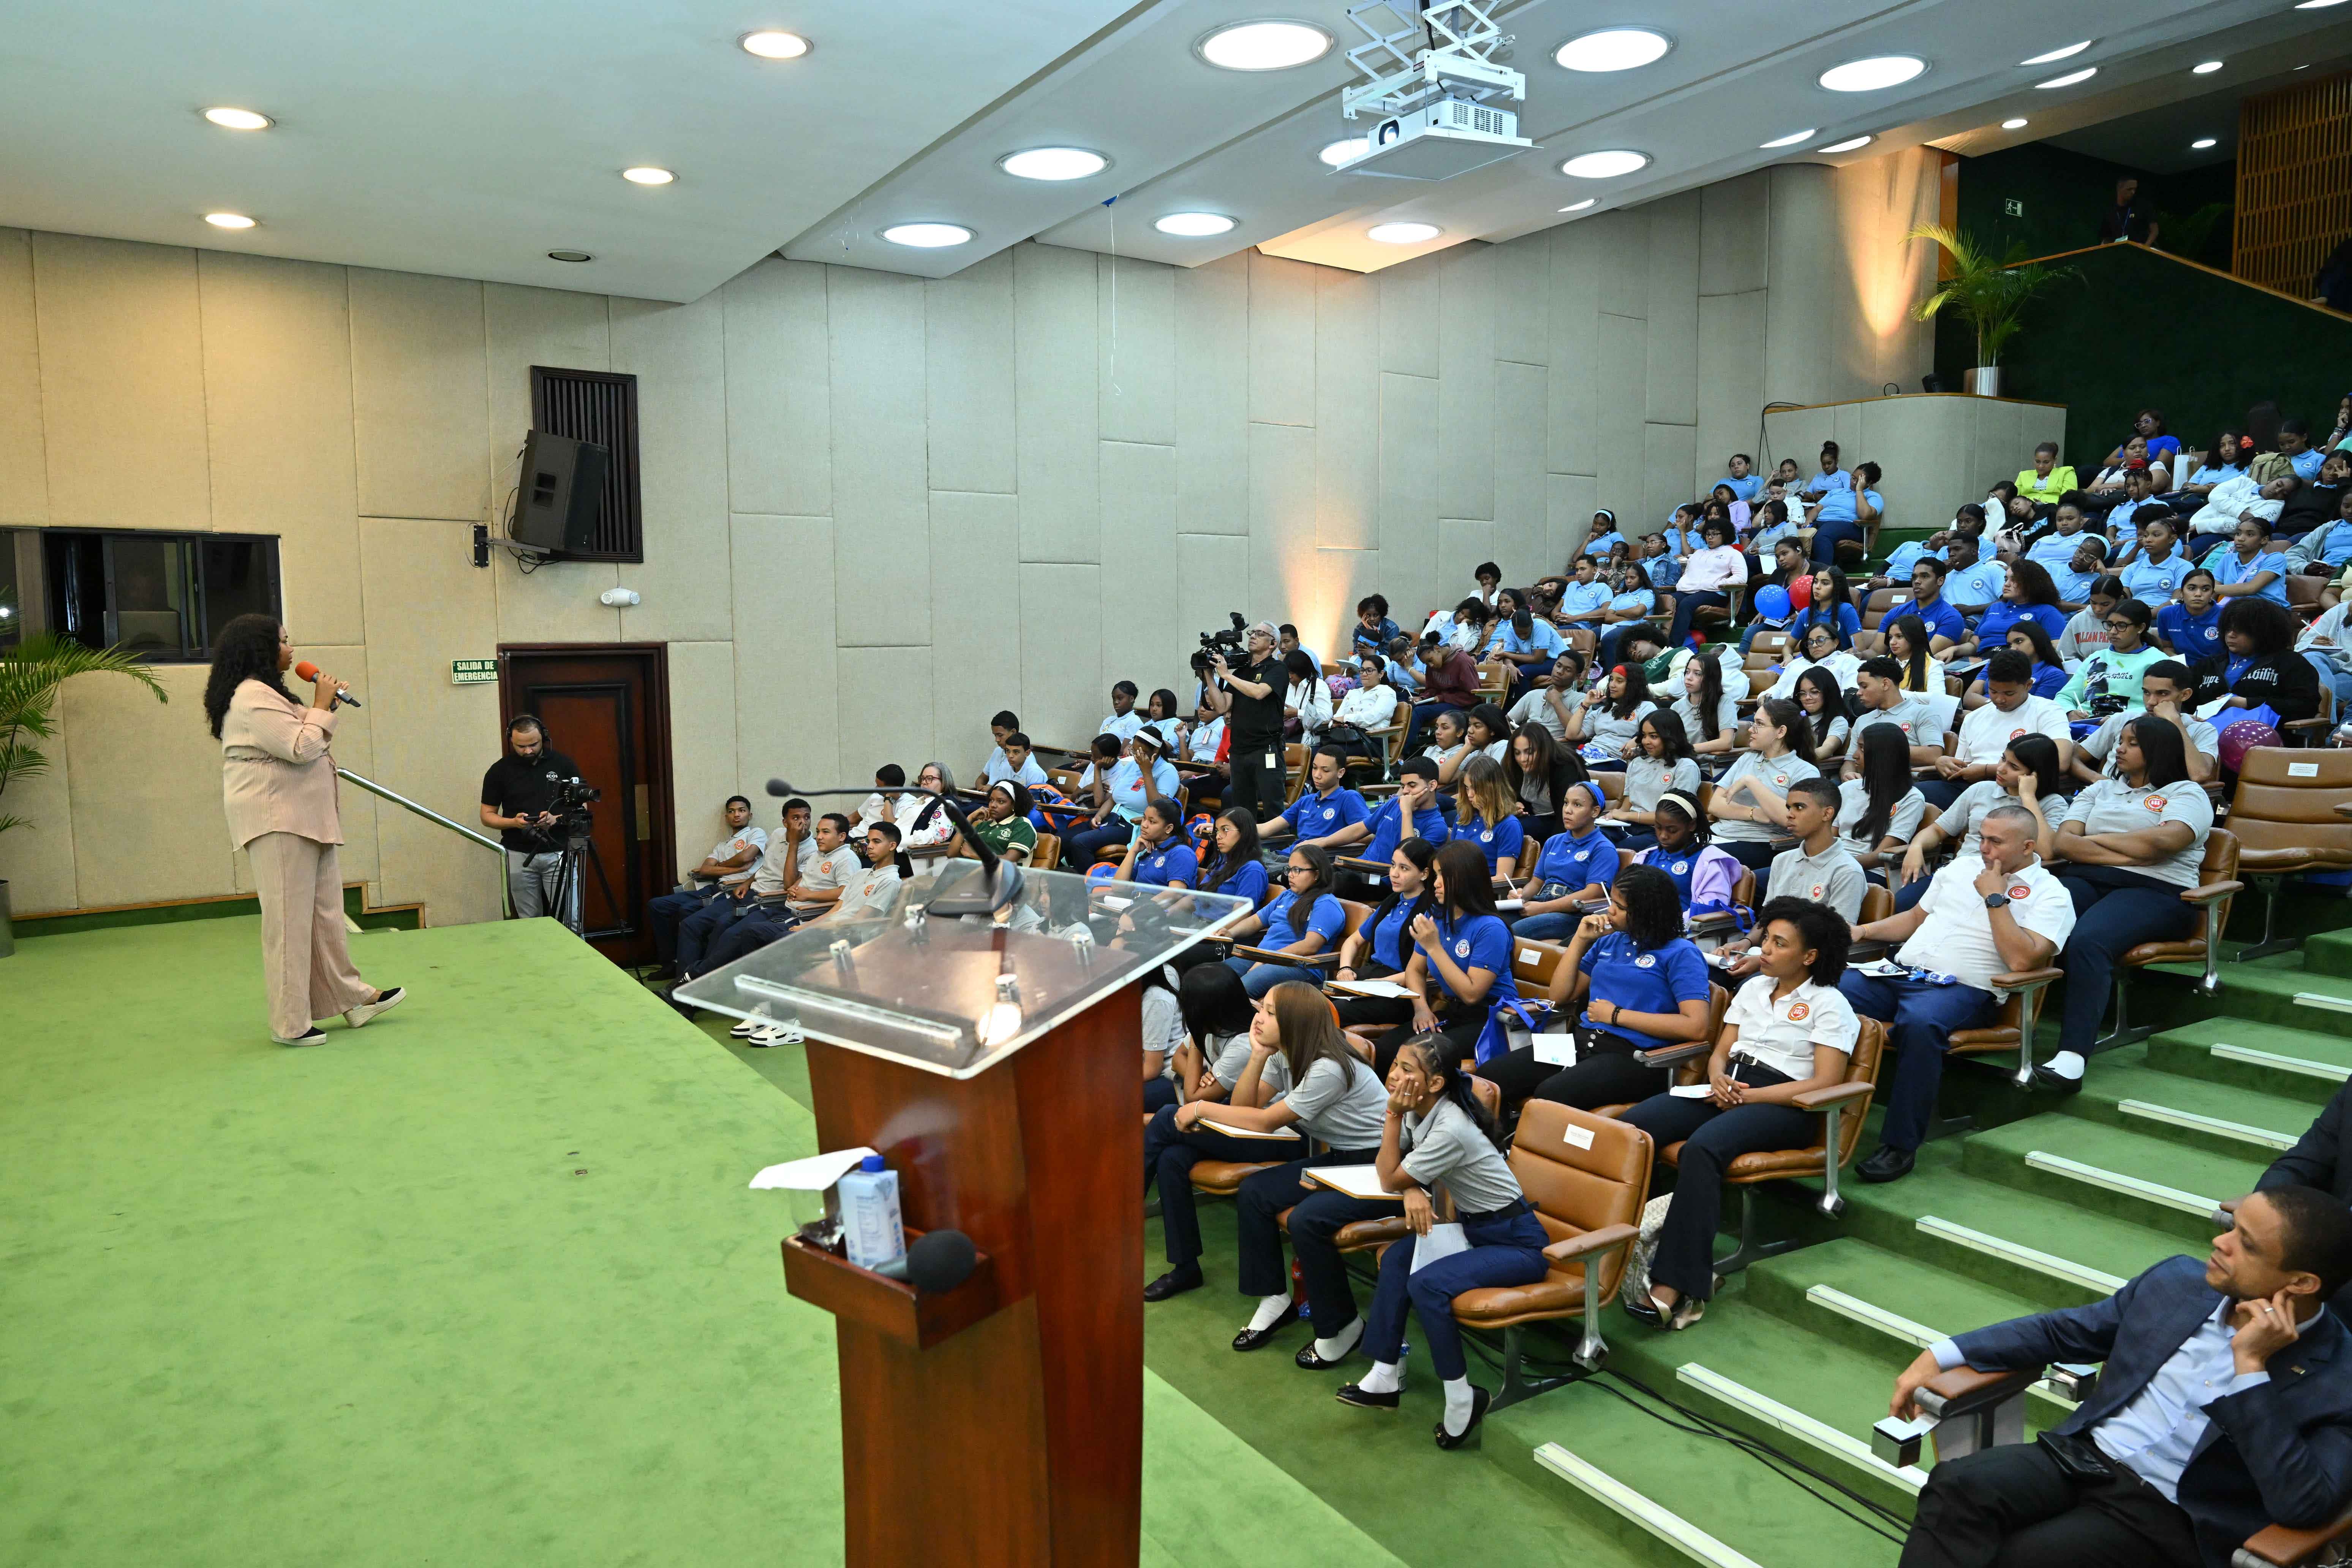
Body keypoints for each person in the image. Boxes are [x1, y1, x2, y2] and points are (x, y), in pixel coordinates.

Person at [1888, 1187, 2352, 1568]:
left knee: (2027, 1558)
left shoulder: (2341, 1376)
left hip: (2175, 1514)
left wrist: (2251, 1369)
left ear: (2302, 1284)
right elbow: (2063, 1331)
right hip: (2085, 1458)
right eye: (2232, 1227)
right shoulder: (2177, 1284)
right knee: (1958, 1486)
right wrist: (1944, 1354)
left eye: (2247, 1245)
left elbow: (2304, 1504)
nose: (2221, 1243)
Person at [1620, 899, 1858, 1331]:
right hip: (1727, 1086)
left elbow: (1825, 1082)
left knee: (1703, 1149)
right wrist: (1718, 1078)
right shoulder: (1753, 988)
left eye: (1779, 944)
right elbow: (1721, 1051)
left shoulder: (1830, 1004)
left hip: (1787, 1104)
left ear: (1809, 956)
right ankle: (1619, 1246)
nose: (1765, 949)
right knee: (1631, 1128)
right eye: (1766, 939)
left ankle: (1679, 1285)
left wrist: (1749, 1098)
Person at [1332, 1033, 1550, 1449]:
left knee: (1427, 1285)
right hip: (1475, 1230)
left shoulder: (1450, 1126)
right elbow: (1398, 1172)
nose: (1394, 1076)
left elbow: (1388, 1177)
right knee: (1397, 1259)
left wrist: (1393, 1121)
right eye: (1394, 1065)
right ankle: (1383, 1375)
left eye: (1407, 1070)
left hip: (1517, 1245)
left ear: (1435, 1083)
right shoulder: (1424, 1110)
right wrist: (1413, 1188)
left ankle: (1463, 1398)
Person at [1842, 804, 2076, 1182]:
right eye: (1982, 838)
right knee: (1821, 990)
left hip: (1962, 991)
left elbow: (2022, 960)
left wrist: (1996, 898)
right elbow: (1914, 919)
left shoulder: (2052, 895)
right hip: (1899, 975)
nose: (1984, 848)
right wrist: (1863, 932)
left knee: (1920, 1024)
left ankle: (1900, 1147)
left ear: (2028, 846)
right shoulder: (1960, 868)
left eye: (1996, 842)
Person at [206, 615, 401, 1046]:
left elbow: (306, 731)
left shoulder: (270, 693)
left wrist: (325, 706)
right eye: (283, 642)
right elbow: (302, 747)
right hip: (278, 819)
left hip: (307, 818)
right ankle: (290, 1024)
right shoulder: (252, 696)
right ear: (261, 649)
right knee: (289, 926)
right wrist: (321, 702)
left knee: (325, 916)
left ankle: (352, 998)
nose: (292, 649)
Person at [1170, 983, 1394, 1358]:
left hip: (1383, 1168)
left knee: (1308, 1219)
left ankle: (1343, 1325)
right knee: (1256, 1191)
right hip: (1345, 1160)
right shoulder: (1283, 1053)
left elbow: (1264, 1122)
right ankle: (1274, 1298)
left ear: (1295, 1021)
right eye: (1261, 1008)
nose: (1258, 1018)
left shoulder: (1328, 1067)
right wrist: (1258, 1056)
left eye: (1271, 1013)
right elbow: (1245, 1110)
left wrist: (1199, 1108)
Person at [2038, 716, 2216, 1093]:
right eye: (2120, 740)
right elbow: (2063, 844)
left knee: (2089, 940)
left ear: (2158, 750)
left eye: (2132, 743)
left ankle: (2072, 1059)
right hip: (2087, 878)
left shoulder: (2186, 793)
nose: (2119, 749)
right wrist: (2136, 850)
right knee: (2031, 918)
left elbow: (2164, 844)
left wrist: (2095, 843)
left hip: (2159, 892)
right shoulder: (2100, 790)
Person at [1474, 863, 1712, 1110]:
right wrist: (1580, 940)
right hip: (1582, 1043)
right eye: (1612, 902)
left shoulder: (1682, 953)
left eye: (1620, 907)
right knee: (1490, 1077)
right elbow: (1559, 996)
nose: (1610, 911)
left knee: (1551, 1094)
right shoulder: (1609, 941)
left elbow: (1696, 1027)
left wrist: (1617, 1016)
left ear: (1647, 913)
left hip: (1636, 1057)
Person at [1357, 839, 1523, 1071]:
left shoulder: (1491, 928)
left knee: (1421, 1057)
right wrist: (1421, 1009)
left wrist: (1434, 947)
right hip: (1453, 1010)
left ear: (1465, 878)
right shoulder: (1436, 916)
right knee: (1386, 1048)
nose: (1436, 883)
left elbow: (1472, 994)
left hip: (1491, 1018)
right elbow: (1415, 969)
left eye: (1443, 875)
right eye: (1435, 875)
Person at [1899, 734, 2064, 909]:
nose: (2001, 769)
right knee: (1903, 902)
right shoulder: (1981, 790)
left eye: (2014, 767)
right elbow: (1938, 830)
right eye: (2003, 759)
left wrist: (2028, 797)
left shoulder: (2053, 804)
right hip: (1959, 872)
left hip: (2003, 884)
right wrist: (1916, 847)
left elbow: (2047, 852)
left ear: (2035, 775)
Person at [1926, 650, 2072, 808]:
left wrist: (1986, 771)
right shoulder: (1974, 717)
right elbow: (1963, 767)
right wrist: (1945, 764)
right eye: (1993, 692)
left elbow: (2060, 762)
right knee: (1914, 795)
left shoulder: (2048, 711)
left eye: (2009, 693)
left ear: (2028, 685)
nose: (1999, 699)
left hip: (2019, 791)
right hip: (1970, 787)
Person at [1330, 838, 1442, 1038]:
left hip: (1401, 990)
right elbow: (1354, 941)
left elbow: (1424, 970)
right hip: (1369, 978)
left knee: (1327, 1012)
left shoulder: (1431, 911)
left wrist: (1379, 983)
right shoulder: (1391, 902)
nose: (1394, 873)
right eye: (1393, 865)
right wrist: (1345, 968)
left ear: (1424, 874)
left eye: (1404, 868)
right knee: (1306, 999)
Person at [643, 796, 767, 977]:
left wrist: (721, 867)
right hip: (715, 888)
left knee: (688, 914)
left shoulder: (756, 834)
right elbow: (706, 870)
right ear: (726, 817)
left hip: (734, 890)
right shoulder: (722, 846)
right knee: (657, 905)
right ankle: (671, 962)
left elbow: (746, 857)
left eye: (742, 810)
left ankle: (685, 976)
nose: (737, 815)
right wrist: (737, 869)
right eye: (731, 812)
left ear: (750, 815)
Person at [480, 713, 586, 923]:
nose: (528, 751)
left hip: (558, 852)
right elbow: (487, 816)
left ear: (543, 738)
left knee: (569, 920)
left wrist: (555, 819)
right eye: (521, 747)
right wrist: (514, 822)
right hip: (518, 854)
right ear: (511, 740)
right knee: (529, 921)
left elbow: (582, 807)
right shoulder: (499, 771)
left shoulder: (563, 764)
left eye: (533, 745)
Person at [1706, 697, 1820, 872]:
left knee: (1699, 862)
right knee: (1668, 852)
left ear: (1781, 732)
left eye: (1759, 724)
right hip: (1720, 834)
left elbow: (1791, 819)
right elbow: (1715, 805)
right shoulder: (1748, 758)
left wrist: (1751, 782)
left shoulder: (1804, 771)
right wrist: (1755, 814)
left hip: (1762, 843)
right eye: (1754, 723)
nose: (1751, 729)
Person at [1225, 844, 1347, 998]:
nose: (1290, 875)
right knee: (1218, 977)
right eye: (1289, 869)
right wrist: (1229, 933)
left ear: (1317, 874)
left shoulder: (1325, 904)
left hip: (1298, 966)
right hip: (1264, 957)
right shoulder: (1287, 896)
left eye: (1297, 870)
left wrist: (1267, 961)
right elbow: (1256, 921)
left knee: (1238, 991)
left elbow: (1310, 945)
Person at [2072, 662, 2220, 786]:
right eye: (2147, 693)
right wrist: (2097, 779)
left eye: (2162, 694)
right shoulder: (2123, 719)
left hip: (2161, 803)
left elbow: (2199, 775)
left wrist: (2176, 723)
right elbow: (2073, 757)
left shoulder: (2201, 730)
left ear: (2185, 695)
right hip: (2106, 797)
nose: (2151, 702)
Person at [2192, 596, 2323, 731]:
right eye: (2228, 629)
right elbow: (2187, 702)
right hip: (2205, 734)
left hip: (2266, 736)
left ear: (2263, 632)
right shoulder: (2208, 664)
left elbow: (2306, 706)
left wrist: (2247, 703)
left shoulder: (2291, 663)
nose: (2231, 635)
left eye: (2240, 630)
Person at [1507, 781, 1616, 938]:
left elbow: (1593, 894)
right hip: (1542, 902)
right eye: (1566, 803)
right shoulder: (1553, 841)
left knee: (1512, 931)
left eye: (1577, 805)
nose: (1567, 810)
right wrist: (1520, 896)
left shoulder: (1603, 848)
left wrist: (1543, 908)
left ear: (1595, 811)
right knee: (1492, 921)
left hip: (1573, 915)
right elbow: (1536, 883)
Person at [1205, 621, 1289, 820]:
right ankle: (1246, 840)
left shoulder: (1277, 669)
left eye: (1260, 634)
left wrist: (1226, 675)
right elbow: (1222, 706)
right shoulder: (1241, 672)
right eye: (1253, 632)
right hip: (1239, 749)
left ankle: (1279, 840)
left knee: (1273, 805)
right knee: (1242, 809)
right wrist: (1209, 676)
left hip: (1266, 748)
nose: (1253, 636)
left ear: (1272, 644)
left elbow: (1259, 693)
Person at [1822, 739, 1914, 901]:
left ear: (1884, 755)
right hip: (1833, 863)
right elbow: (1828, 839)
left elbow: (1881, 856)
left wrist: (1833, 865)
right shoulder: (1848, 788)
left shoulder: (1910, 798)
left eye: (1863, 750)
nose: (1855, 756)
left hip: (1871, 871)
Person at [1331, 756, 1449, 873]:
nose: (1405, 791)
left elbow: (1408, 861)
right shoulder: (1395, 803)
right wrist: (1322, 842)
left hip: (1382, 877)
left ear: (1432, 786)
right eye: (1403, 786)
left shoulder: (1437, 826)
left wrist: (1407, 813)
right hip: (1359, 867)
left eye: (1412, 786)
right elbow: (1361, 828)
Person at [1603, 710, 1702, 849]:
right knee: (1593, 837)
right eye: (1644, 736)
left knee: (1617, 849)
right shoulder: (1637, 763)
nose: (1646, 742)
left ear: (1670, 737)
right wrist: (1613, 817)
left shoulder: (1686, 767)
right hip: (1628, 825)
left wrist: (1628, 816)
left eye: (1653, 736)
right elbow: (1628, 802)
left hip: (1660, 831)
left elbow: (1674, 816)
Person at [2058, 599, 2163, 721]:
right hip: (2087, 722)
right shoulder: (2096, 658)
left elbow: (2163, 705)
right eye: (2109, 625)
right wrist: (2070, 712)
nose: (2113, 632)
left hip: (2131, 724)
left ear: (2140, 628)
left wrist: (2117, 719)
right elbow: (2065, 697)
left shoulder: (2157, 661)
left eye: (2122, 626)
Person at [1845, 658, 1943, 774]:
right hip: (1865, 781)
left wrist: (1882, 748)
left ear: (1885, 684)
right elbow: (1850, 761)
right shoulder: (1862, 720)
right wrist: (1848, 773)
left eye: (1864, 686)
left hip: (1907, 782)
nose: (1859, 693)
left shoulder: (1923, 713)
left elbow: (1934, 755)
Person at [1262, 746, 1369, 851]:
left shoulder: (1349, 798)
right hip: (1290, 855)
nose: (1317, 775)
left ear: (1340, 773)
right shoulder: (1306, 801)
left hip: (1317, 858)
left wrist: (1322, 842)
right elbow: (1267, 829)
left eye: (1325, 771)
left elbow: (1369, 833)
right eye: (1314, 768)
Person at [1503, 722, 1590, 842]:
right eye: (1517, 753)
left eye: (1529, 752)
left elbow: (1569, 817)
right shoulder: (1515, 765)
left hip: (1563, 823)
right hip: (1536, 818)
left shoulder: (1565, 768)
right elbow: (1509, 796)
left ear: (1543, 749)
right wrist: (1515, 805)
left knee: (1509, 827)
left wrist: (1553, 848)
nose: (1522, 759)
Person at [1568, 661, 1658, 768]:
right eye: (1611, 679)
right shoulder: (1603, 710)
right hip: (1588, 754)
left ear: (1633, 685)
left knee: (1577, 771)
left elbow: (1654, 733)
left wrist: (1637, 740)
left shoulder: (1645, 707)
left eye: (1619, 681)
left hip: (1615, 760)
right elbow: (1572, 735)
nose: (1612, 685)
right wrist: (1586, 704)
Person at [1451, 754, 1524, 877]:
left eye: (1475, 788)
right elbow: (1450, 861)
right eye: (1467, 788)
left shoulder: (1509, 825)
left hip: (1483, 887)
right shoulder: (1462, 817)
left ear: (1492, 788)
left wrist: (1464, 884)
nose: (1470, 794)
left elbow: (1503, 878)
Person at [1809, 459, 1884, 567]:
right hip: (1821, 522)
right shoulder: (1836, 492)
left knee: (1823, 536)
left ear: (1869, 483)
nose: (1854, 482)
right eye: (1853, 478)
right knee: (1797, 537)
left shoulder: (1873, 497)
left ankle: (1825, 573)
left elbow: (1865, 515)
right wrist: (1808, 522)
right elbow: (1817, 509)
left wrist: (1859, 490)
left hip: (1849, 526)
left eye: (1859, 481)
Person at [1112, 797, 1197, 890]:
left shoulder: (1181, 853)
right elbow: (1118, 888)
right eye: (1144, 818)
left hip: (1155, 900)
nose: (1144, 825)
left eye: (1152, 822)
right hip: (1137, 898)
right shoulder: (1151, 848)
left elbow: (1175, 894)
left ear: (1169, 828)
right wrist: (1133, 851)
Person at [1507, 649, 1589, 742]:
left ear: (1577, 677)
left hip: (1556, 747)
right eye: (1558, 666)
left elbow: (1575, 733)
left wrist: (1556, 702)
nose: (1560, 672)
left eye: (1568, 670)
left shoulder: (1581, 700)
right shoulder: (1533, 695)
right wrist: (1512, 735)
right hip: (1525, 743)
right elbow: (1507, 720)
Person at [1672, 647, 1739, 760]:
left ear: (1711, 678)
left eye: (1697, 674)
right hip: (1679, 764)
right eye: (1687, 672)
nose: (1689, 678)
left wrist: (1687, 749)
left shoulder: (1724, 702)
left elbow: (1726, 742)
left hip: (1707, 765)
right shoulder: (1676, 707)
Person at [1197, 808, 1271, 907]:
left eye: (1225, 830)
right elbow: (1195, 899)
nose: (1218, 837)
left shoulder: (1253, 869)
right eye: (1217, 831)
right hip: (1198, 917)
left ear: (1244, 832)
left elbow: (1240, 914)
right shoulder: (1221, 862)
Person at [2209, 516, 2290, 606]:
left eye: (2250, 535)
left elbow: (2251, 588)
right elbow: (2212, 593)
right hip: (2234, 610)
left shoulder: (2276, 559)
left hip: (2269, 610)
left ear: (2264, 540)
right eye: (2238, 534)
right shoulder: (2227, 559)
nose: (2240, 539)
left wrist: (2209, 588)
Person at [956, 779, 1040, 865]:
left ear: (1014, 805)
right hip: (973, 870)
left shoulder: (1022, 824)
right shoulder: (983, 825)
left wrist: (975, 855)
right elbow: (952, 853)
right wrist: (970, 818)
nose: (993, 805)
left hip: (1004, 872)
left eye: (1001, 802)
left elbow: (1009, 860)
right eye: (991, 800)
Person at [2120, 514, 2194, 608]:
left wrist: (2149, 614)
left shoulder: (2184, 567)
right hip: (2134, 613)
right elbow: (2123, 599)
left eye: (2156, 535)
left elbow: (2177, 600)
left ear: (2172, 539)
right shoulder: (2131, 568)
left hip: (2167, 614)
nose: (2148, 540)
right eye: (2146, 536)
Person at [2154, 569, 2224, 666]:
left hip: (2217, 670)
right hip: (2182, 668)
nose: (2198, 594)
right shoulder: (2166, 614)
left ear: (2212, 594)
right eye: (2192, 589)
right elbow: (2168, 648)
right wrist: (2181, 665)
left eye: (2206, 590)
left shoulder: (2226, 615)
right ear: (2181, 593)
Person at [2057, 574, 2126, 669]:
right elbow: (2065, 656)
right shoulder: (2079, 620)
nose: (2098, 609)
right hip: (2084, 673)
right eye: (2093, 603)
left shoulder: (2130, 621)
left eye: (2105, 605)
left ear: (2120, 600)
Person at [2016, 441, 2079, 509]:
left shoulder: (2066, 472)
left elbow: (2068, 499)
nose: (2041, 466)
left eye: (2046, 462)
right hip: (2026, 510)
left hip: (2053, 510)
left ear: (2055, 460)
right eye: (2037, 462)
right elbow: (2014, 498)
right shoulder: (2024, 475)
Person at [1352, 594, 1402, 659]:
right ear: (1363, 616)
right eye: (1368, 615)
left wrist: (1374, 635)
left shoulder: (1391, 629)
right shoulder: (1359, 629)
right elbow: (1357, 653)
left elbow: (1387, 655)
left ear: (1381, 615)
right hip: (1364, 662)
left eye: (1376, 615)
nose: (1372, 619)